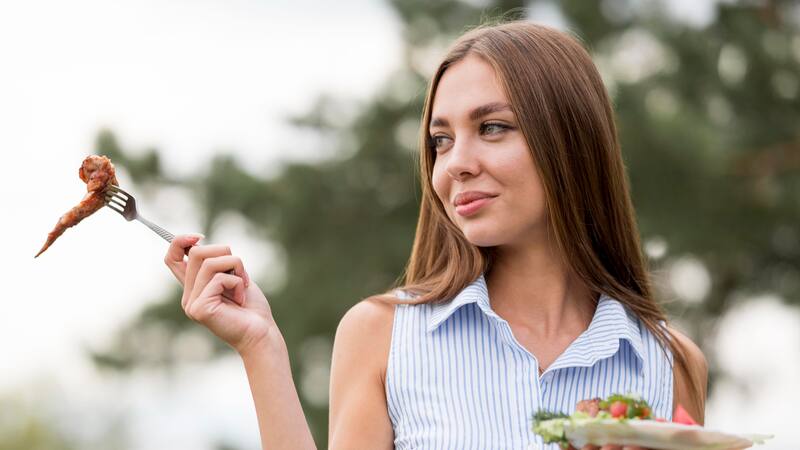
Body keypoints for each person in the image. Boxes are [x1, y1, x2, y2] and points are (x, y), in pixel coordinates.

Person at [163, 21, 708, 450]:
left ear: (571, 138)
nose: (455, 166)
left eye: (492, 128)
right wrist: (261, 349)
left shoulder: (671, 363)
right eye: (441, 140)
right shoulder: (382, 335)